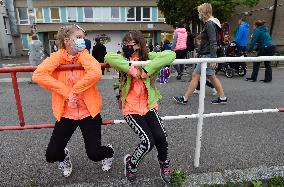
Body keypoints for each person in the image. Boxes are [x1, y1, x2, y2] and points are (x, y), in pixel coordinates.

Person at [32, 24, 114, 178]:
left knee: (95, 154)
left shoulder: (84, 55)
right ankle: (64, 156)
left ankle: (109, 152)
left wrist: (74, 91)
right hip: (66, 113)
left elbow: (96, 73)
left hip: (88, 112)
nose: (82, 40)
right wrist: (66, 92)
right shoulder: (57, 57)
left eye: (83, 37)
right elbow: (38, 75)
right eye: (78, 37)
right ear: (67, 40)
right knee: (51, 155)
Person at [105, 30, 176, 183]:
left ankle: (164, 164)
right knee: (148, 141)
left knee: (161, 137)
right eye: (125, 43)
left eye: (131, 43)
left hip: (149, 105)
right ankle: (131, 163)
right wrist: (131, 68)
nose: (127, 46)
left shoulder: (147, 58)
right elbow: (108, 57)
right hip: (130, 108)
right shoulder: (123, 59)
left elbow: (170, 55)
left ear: (139, 45)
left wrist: (145, 70)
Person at [173, 3, 227, 105]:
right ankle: (222, 97)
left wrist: (213, 58)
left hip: (207, 56)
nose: (199, 14)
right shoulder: (210, 23)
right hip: (207, 55)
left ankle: (185, 98)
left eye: (199, 12)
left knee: (195, 75)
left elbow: (213, 41)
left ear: (203, 12)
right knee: (211, 77)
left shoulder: (210, 24)